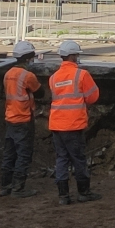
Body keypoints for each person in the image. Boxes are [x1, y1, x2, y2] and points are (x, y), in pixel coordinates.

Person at [45, 38, 101, 204]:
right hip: (74, 124)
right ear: (74, 56)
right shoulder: (81, 75)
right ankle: (84, 192)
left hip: (56, 124)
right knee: (78, 159)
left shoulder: (54, 77)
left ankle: (63, 196)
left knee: (61, 158)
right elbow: (93, 96)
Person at [0, 39, 41, 197]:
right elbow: (40, 92)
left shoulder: (8, 74)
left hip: (10, 118)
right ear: (28, 57)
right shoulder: (27, 75)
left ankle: (5, 185)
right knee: (23, 154)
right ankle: (18, 188)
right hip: (24, 119)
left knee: (9, 153)